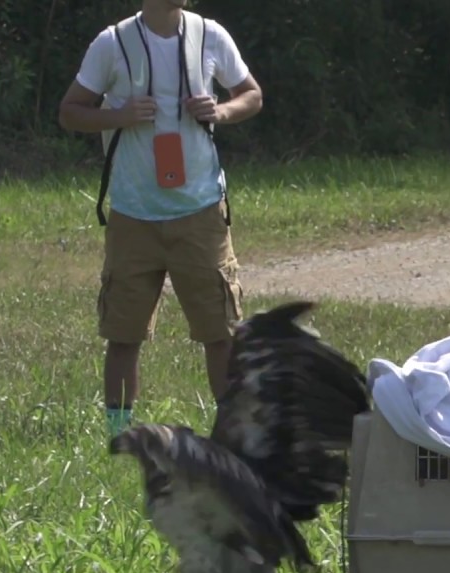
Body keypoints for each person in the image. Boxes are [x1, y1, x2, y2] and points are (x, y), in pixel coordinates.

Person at [58, 0, 263, 435]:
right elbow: (70, 111)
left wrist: (221, 111)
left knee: (219, 332)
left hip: (202, 210)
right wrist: (118, 116)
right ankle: (118, 434)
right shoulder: (112, 43)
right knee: (123, 333)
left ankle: (232, 433)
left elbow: (252, 95)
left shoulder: (211, 35)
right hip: (133, 214)